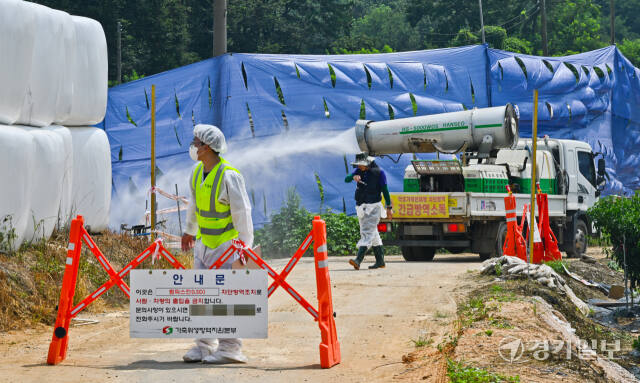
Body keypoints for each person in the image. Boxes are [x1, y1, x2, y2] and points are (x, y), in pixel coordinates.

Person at [181, 124, 254, 364]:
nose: (193, 145)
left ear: (208, 147)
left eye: (196, 142)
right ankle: (203, 346)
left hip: (226, 246)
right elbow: (193, 205)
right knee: (201, 296)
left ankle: (230, 348)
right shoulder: (196, 172)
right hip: (203, 244)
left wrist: (245, 247)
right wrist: (188, 232)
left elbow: (242, 212)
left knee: (226, 298)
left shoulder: (229, 175)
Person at [345, 153, 393, 270]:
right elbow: (346, 179)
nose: (359, 167)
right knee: (373, 234)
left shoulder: (379, 173)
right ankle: (380, 261)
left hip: (374, 207)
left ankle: (358, 260)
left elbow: (385, 191)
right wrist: (353, 177)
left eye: (361, 165)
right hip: (362, 206)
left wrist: (389, 208)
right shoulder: (358, 171)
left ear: (368, 163)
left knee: (367, 232)